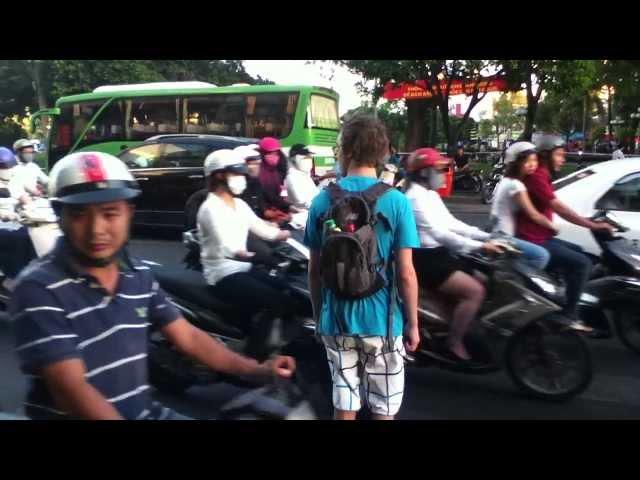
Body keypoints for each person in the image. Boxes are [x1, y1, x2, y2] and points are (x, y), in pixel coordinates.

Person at [11, 151, 295, 420]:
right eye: (79, 215)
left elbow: (189, 338)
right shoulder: (39, 288)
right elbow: (72, 391)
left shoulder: (137, 275)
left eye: (110, 213)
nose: (96, 229)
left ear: (129, 213)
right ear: (60, 217)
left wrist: (258, 370)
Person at [305, 116, 420, 421]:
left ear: (345, 150)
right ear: (383, 153)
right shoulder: (396, 201)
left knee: (344, 402)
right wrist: (413, 324)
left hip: (336, 320)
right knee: (383, 408)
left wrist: (319, 319)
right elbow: (406, 272)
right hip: (383, 322)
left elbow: (315, 270)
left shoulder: (321, 201)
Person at [405, 148, 505, 363]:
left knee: (484, 278)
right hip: (425, 259)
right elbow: (440, 233)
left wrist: (485, 237)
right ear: (424, 172)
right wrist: (480, 247)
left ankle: (456, 323)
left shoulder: (429, 194)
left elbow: (452, 224)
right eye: (440, 169)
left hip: (439, 253)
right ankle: (454, 341)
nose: (444, 174)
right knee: (475, 292)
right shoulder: (414, 198)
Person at [197, 148, 310, 332]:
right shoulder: (210, 208)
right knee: (278, 302)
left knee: (290, 291)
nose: (241, 177)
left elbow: (260, 227)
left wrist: (285, 235)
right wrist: (247, 254)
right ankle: (257, 354)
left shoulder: (239, 204)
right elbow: (226, 245)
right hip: (223, 275)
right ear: (218, 176)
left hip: (244, 268)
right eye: (236, 173)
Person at [517, 134, 615, 328]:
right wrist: (593, 225)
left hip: (542, 236)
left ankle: (566, 297)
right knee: (583, 264)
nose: (563, 159)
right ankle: (568, 314)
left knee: (583, 254)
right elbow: (559, 208)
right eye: (559, 155)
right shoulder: (537, 177)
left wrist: (591, 220)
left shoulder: (542, 175)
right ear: (545, 155)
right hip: (533, 240)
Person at [489, 141, 552, 270]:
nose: (532, 164)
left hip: (497, 232)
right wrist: (553, 226)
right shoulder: (516, 185)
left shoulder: (505, 180)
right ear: (516, 163)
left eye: (534, 160)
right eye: (527, 161)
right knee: (541, 256)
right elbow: (533, 214)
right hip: (504, 236)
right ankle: (515, 280)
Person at [257, 137, 294, 224]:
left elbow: (279, 195)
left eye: (276, 154)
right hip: (264, 218)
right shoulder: (259, 173)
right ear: (262, 154)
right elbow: (263, 200)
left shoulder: (277, 172)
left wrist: (288, 207)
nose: (274, 157)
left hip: (277, 213)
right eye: (270, 153)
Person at [284, 144, 319, 211]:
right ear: (294, 159)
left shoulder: (305, 175)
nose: (308, 160)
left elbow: (316, 194)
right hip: (302, 217)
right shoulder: (291, 178)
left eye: (309, 157)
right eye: (305, 157)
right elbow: (301, 202)